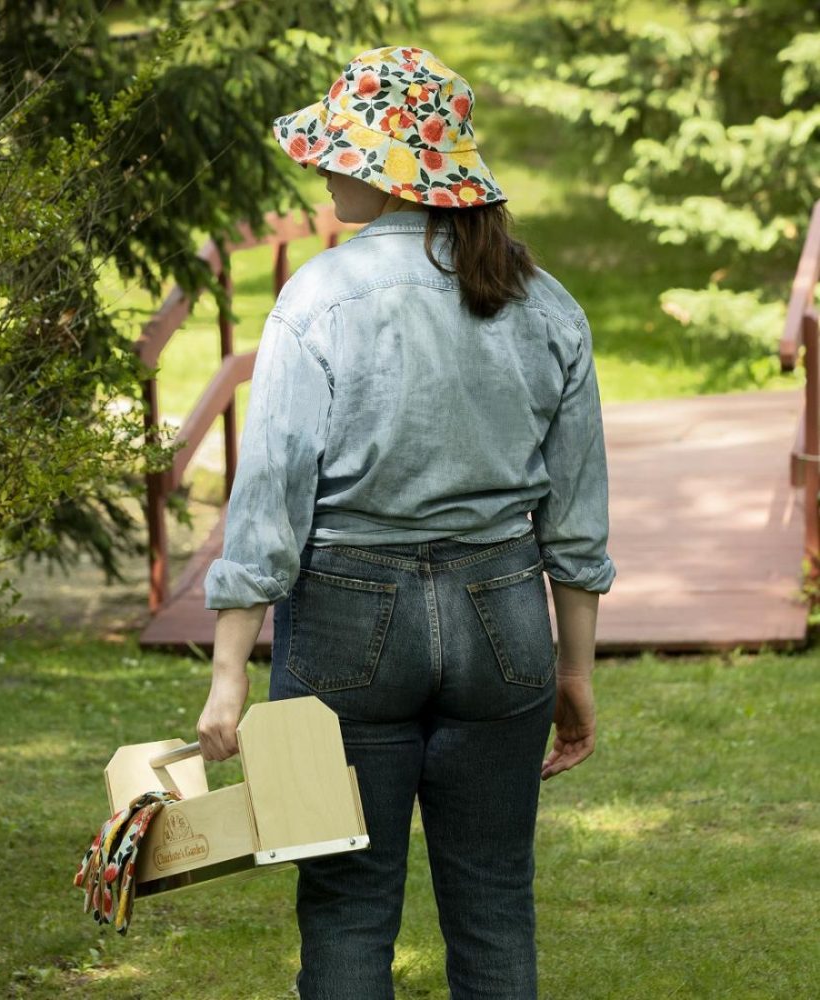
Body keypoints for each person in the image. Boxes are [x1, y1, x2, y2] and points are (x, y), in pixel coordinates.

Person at [196, 45, 615, 1000]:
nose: (324, 165)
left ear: (382, 167)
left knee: (346, 907)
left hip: (346, 630)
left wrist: (230, 675)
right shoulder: (547, 307)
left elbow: (268, 506)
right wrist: (575, 672)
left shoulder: (317, 300)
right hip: (504, 625)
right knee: (497, 906)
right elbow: (577, 524)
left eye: (339, 149)